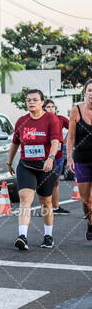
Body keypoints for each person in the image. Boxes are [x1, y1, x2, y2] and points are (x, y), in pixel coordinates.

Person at [7, 89, 60, 251]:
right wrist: (9, 162)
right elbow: (15, 143)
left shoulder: (51, 119)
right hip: (26, 165)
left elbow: (55, 141)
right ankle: (22, 236)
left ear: (42, 102)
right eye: (29, 100)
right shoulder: (22, 121)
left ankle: (48, 236)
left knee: (46, 202)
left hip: (46, 166)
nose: (31, 102)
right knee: (25, 198)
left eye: (35, 100)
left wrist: (51, 158)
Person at [66, 79, 92, 240]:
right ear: (85, 93)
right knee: (86, 201)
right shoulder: (76, 110)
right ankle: (90, 223)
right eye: (90, 90)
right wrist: (69, 157)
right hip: (82, 159)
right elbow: (71, 137)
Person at [44, 99, 70, 215]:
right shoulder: (41, 120)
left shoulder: (60, 119)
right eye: (48, 107)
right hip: (43, 155)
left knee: (55, 181)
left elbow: (73, 127)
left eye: (52, 107)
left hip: (58, 155)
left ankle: (55, 207)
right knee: (44, 181)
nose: (51, 109)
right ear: (44, 108)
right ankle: (45, 207)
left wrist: (66, 140)